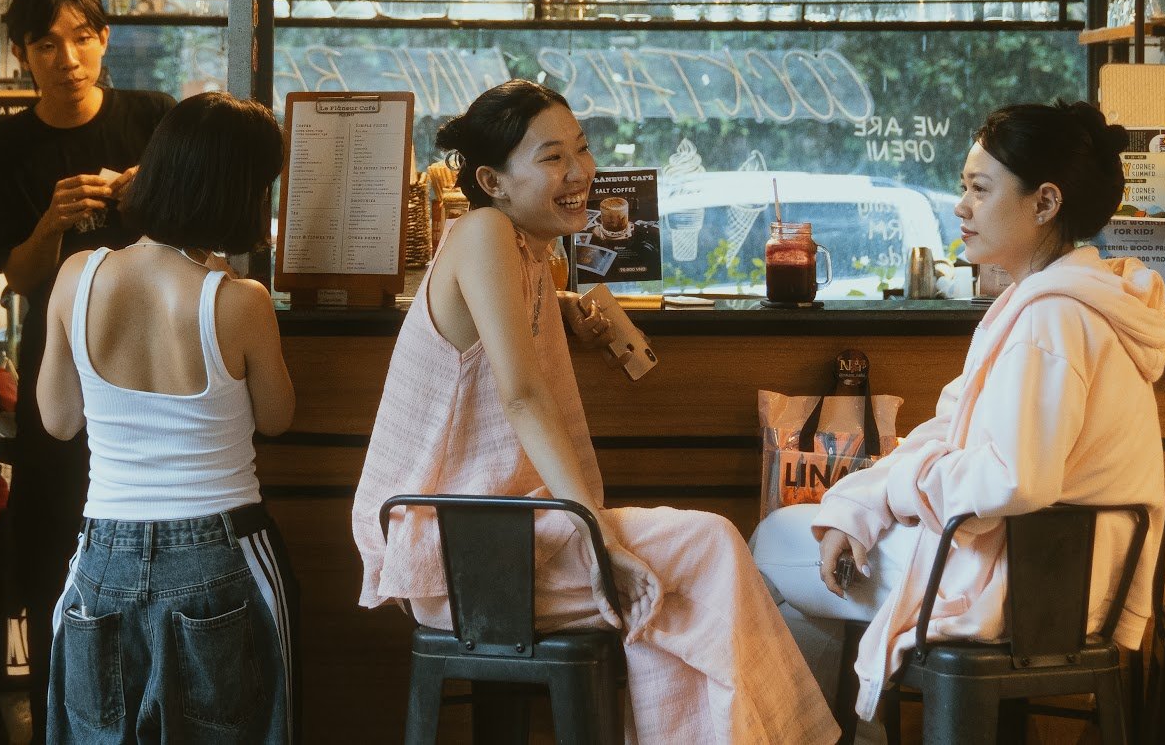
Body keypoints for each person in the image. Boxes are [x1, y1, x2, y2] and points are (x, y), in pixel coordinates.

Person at [352, 80, 841, 745]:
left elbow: (496, 327)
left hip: (501, 536)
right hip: (465, 554)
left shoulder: (524, 248)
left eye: (581, 148)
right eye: (553, 157)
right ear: (493, 181)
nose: (581, 171)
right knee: (709, 548)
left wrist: (567, 312)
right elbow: (522, 396)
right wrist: (599, 537)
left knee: (688, 574)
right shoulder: (484, 231)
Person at [751, 101, 1165, 735]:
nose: (961, 207)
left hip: (1026, 589)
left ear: (1045, 202)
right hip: (1063, 578)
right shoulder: (1068, 301)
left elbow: (1015, 481)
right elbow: (945, 433)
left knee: (772, 542)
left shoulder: (1049, 319)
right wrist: (860, 503)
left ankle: (823, 736)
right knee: (824, 540)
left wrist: (895, 490)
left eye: (980, 189)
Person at [37, 92, 298, 745]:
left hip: (103, 560)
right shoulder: (239, 301)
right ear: (241, 193)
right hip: (220, 550)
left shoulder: (77, 275)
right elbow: (277, 417)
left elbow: (58, 418)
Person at [0, 0, 174, 742]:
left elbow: (198, 236)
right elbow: (18, 276)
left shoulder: (153, 119)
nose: (68, 58)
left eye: (83, 37)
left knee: (150, 532)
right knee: (56, 534)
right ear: (23, 54)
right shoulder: (1, 148)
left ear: (104, 39)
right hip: (57, 368)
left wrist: (148, 196)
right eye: (47, 43)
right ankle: (65, 712)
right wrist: (51, 222)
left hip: (153, 361)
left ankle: (148, 711)